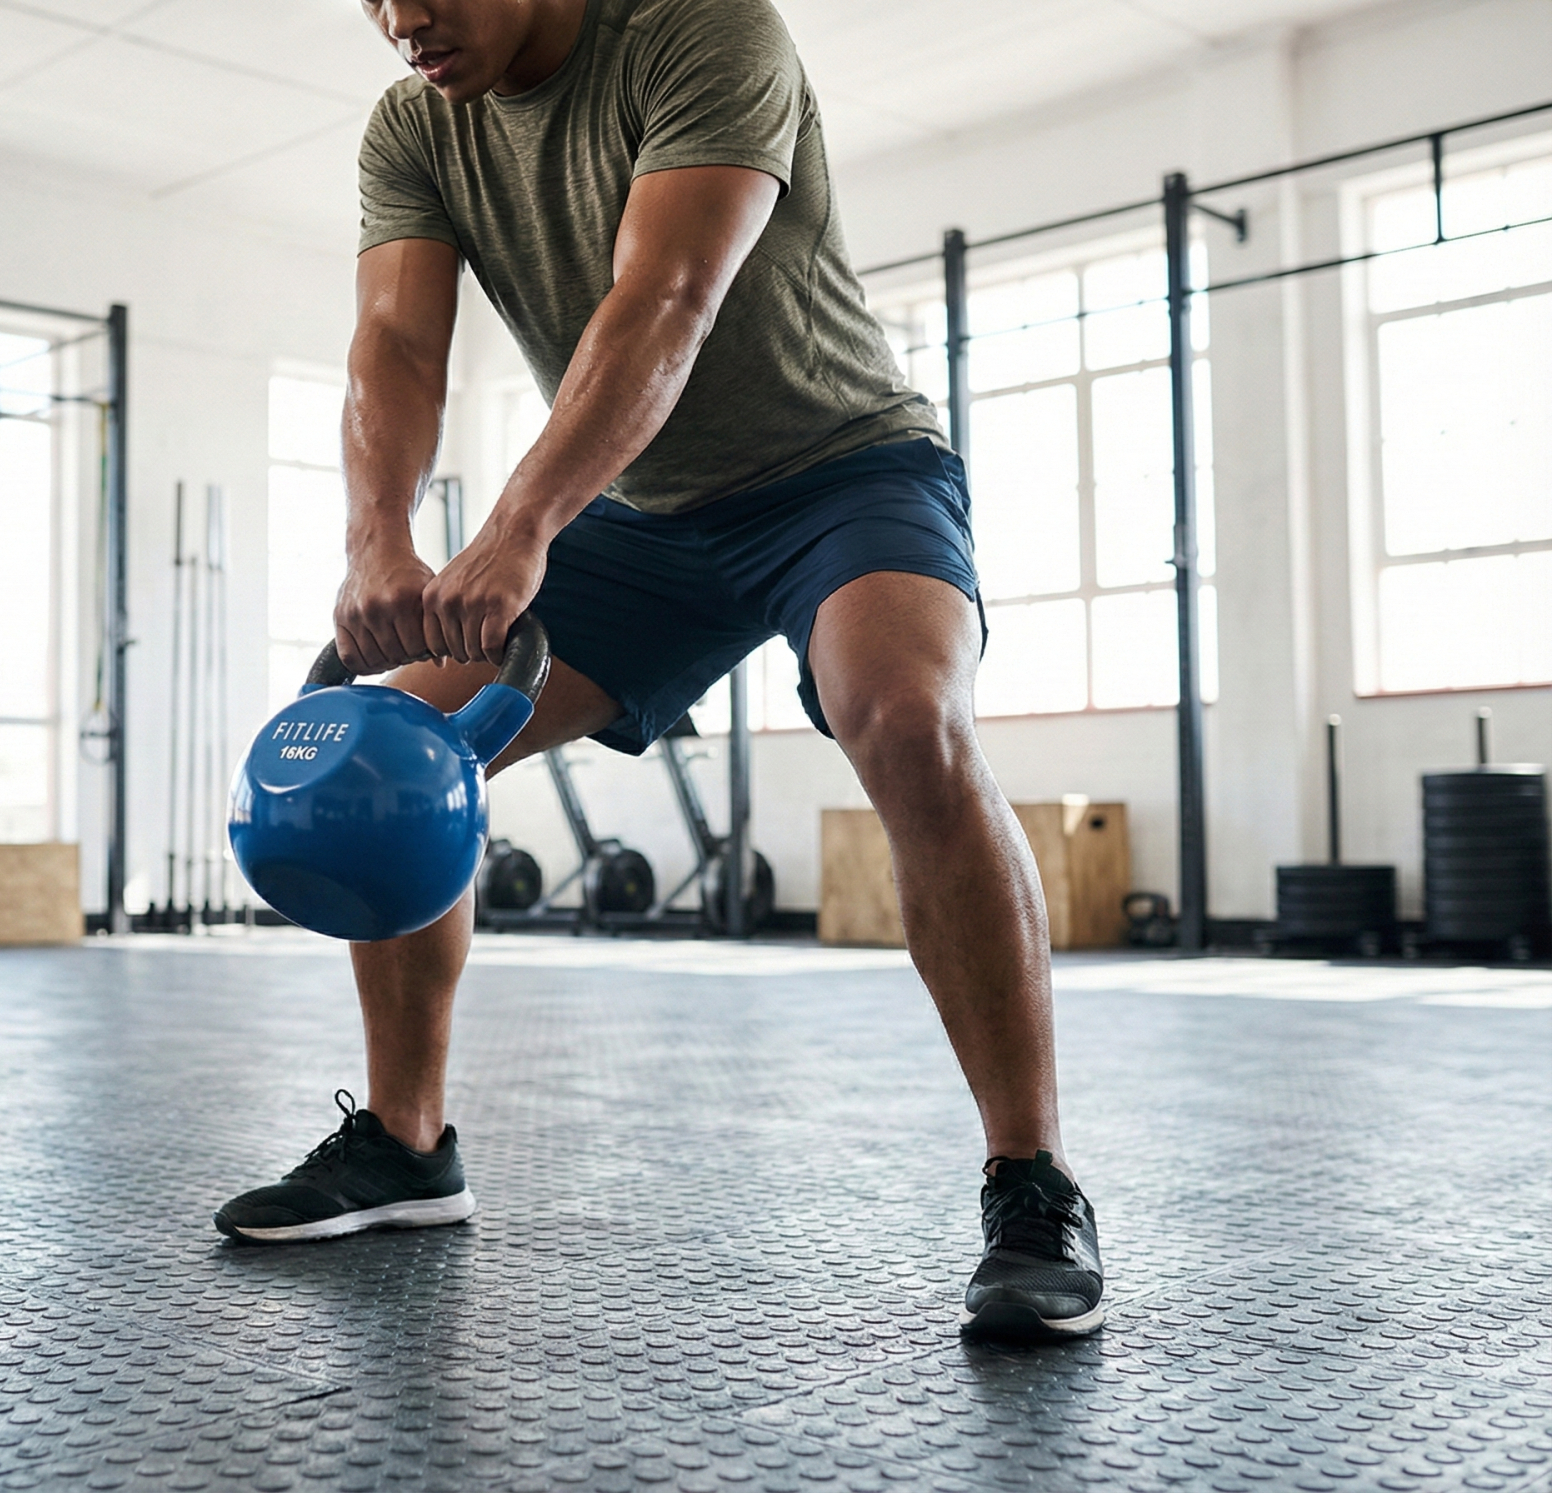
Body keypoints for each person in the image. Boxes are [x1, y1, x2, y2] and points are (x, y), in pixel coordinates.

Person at [214, 0, 1105, 1342]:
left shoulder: (706, 30)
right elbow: (395, 347)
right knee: (393, 743)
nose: (404, 21)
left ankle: (1033, 1183)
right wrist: (377, 540)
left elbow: (667, 299)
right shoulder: (415, 125)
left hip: (842, 474)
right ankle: (404, 1146)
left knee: (908, 720)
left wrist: (517, 527)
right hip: (638, 516)